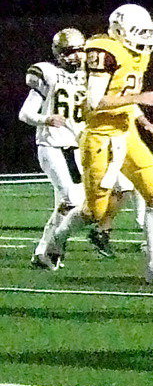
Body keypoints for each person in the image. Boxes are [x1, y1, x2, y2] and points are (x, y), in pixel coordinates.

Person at [42, 4, 153, 284]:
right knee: (95, 212)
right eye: (138, 31)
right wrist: (139, 100)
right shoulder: (103, 50)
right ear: (119, 30)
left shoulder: (138, 54)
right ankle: (56, 240)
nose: (144, 37)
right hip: (99, 137)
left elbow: (126, 94)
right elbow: (95, 101)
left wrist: (144, 121)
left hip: (126, 133)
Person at [22, 29, 87, 267]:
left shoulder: (88, 77)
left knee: (67, 203)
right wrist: (46, 119)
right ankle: (53, 248)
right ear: (59, 54)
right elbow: (25, 113)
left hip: (75, 147)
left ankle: (44, 252)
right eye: (70, 52)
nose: (76, 57)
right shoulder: (48, 74)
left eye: (80, 50)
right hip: (51, 144)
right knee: (71, 200)